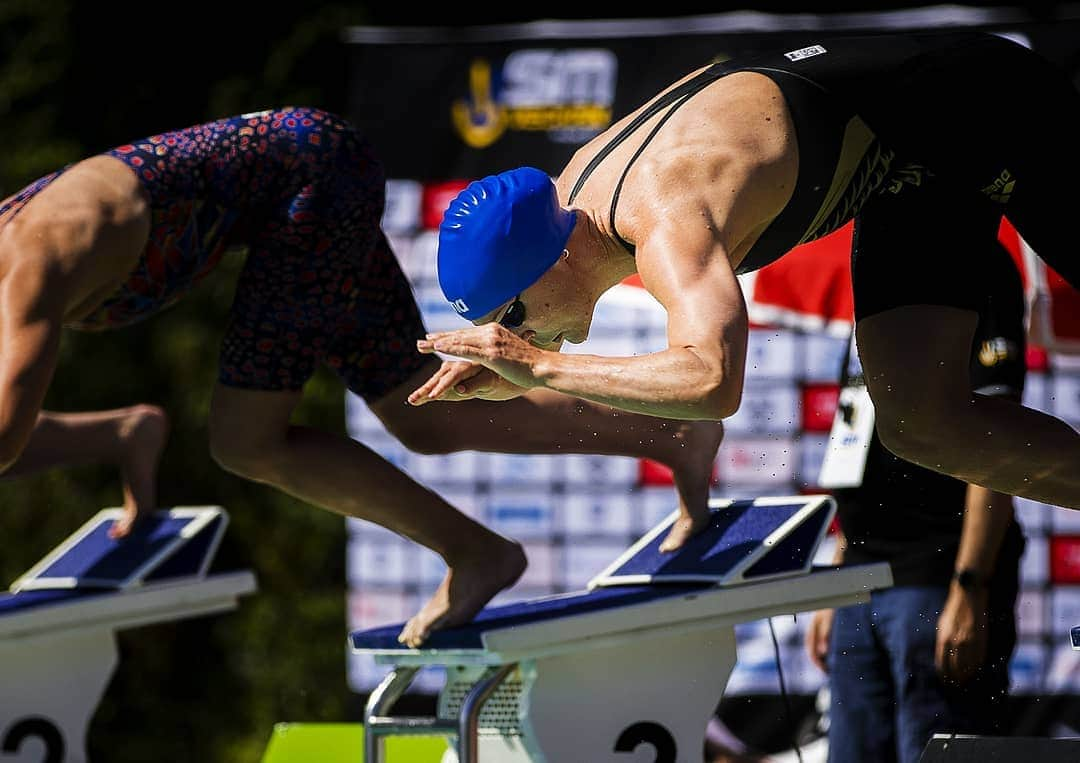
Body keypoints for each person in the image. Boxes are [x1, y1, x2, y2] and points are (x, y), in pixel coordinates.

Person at [0, 106, 723, 647]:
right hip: (306, 180)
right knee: (427, 416)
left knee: (245, 441)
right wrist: (124, 438)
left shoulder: (37, 260)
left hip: (309, 182)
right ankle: (669, 434)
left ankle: (476, 551)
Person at [412, 30, 1080, 510]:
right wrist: (516, 368)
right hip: (909, 165)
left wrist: (539, 367)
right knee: (919, 422)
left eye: (517, 317)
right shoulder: (565, 205)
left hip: (985, 101)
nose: (523, 338)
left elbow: (710, 380)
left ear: (554, 260)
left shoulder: (665, 210)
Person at [805, 247, 1026, 762]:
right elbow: (855, 426)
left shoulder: (980, 267)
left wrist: (970, 585)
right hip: (860, 580)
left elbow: (996, 445)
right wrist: (836, 576)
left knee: (935, 749)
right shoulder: (873, 264)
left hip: (937, 579)